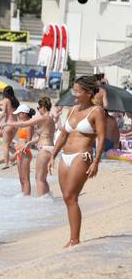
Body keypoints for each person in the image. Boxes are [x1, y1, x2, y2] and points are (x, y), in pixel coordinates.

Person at [48, 75, 106, 247]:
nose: (74, 94)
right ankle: (73, 237)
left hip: (82, 156)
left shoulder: (97, 111)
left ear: (88, 93)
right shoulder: (73, 110)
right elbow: (64, 135)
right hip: (64, 156)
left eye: (77, 91)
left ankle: (75, 239)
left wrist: (96, 162)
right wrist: (53, 155)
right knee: (67, 198)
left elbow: (101, 138)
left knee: (70, 196)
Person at [6, 97, 55, 196]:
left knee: (39, 178)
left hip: (45, 148)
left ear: (44, 107)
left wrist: (7, 124)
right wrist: (30, 143)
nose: (38, 110)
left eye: (39, 107)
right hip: (47, 147)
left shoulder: (45, 117)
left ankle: (42, 201)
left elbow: (25, 123)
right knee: (42, 178)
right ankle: (47, 198)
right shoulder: (50, 120)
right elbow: (44, 135)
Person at [8, 104, 35, 196]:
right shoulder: (22, 124)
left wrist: (16, 153)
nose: (17, 115)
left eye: (19, 114)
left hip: (25, 153)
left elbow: (28, 143)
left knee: (25, 178)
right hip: (19, 152)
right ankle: (23, 197)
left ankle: (27, 198)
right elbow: (20, 140)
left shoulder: (29, 125)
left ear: (24, 114)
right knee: (21, 178)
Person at [0, 86, 20, 169]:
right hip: (15, 124)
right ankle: (17, 158)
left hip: (9, 124)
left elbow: (4, 112)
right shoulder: (15, 101)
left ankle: (6, 163)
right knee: (10, 144)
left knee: (6, 145)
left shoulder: (5, 100)